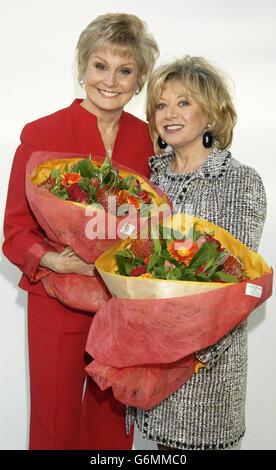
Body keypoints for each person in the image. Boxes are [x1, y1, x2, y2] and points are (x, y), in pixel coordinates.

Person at [2, 13, 159, 450]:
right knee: (54, 423)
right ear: (82, 69)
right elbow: (14, 230)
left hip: (121, 309)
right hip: (57, 301)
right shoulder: (41, 134)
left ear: (139, 79)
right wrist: (52, 259)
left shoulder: (149, 141)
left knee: (112, 430)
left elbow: (158, 222)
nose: (110, 80)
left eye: (125, 70)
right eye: (100, 66)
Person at [126, 55, 267, 450]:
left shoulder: (238, 180)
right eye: (161, 105)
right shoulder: (148, 179)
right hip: (149, 366)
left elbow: (236, 281)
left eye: (183, 102)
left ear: (211, 114)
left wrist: (193, 355)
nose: (169, 114)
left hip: (205, 370)